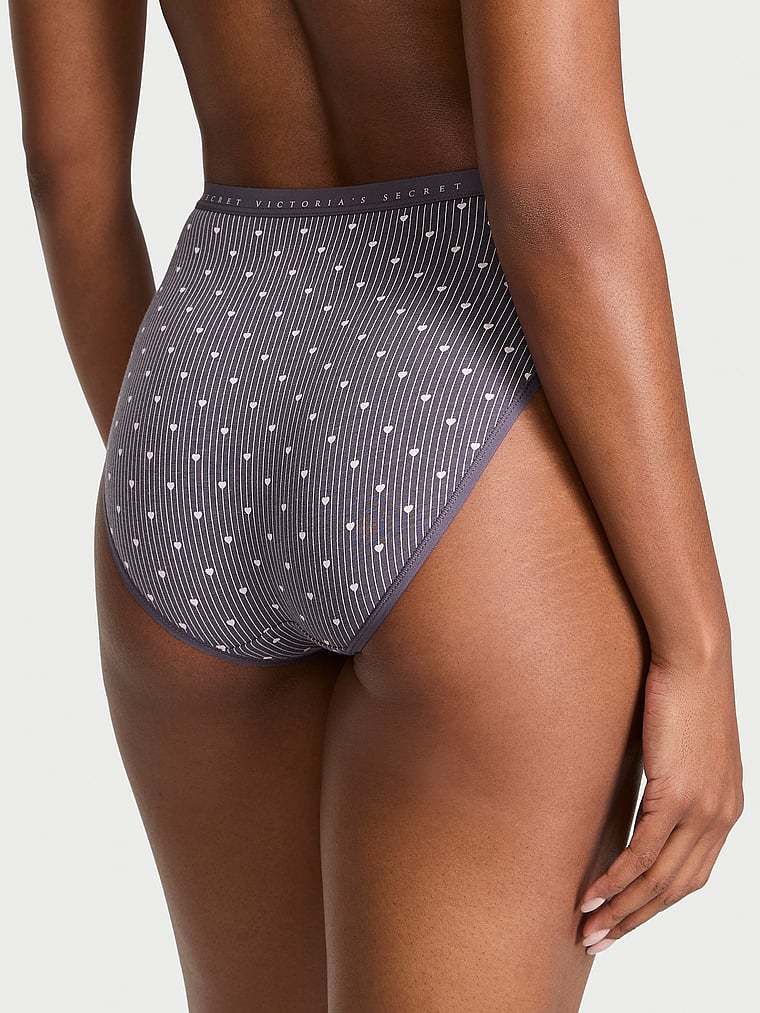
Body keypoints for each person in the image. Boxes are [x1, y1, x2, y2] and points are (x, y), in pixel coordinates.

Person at [10, 1, 742, 1010]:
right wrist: (696, 645)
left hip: (202, 381)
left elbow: (65, 173)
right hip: (457, 385)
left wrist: (189, 480)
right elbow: (556, 186)